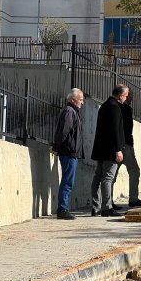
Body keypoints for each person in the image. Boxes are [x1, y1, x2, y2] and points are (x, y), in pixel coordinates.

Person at [90, 85, 128, 217]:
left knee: (98, 176)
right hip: (110, 150)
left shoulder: (105, 105)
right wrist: (118, 149)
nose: (126, 97)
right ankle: (106, 207)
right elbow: (115, 130)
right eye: (125, 95)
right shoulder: (114, 107)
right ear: (120, 95)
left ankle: (96, 207)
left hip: (101, 149)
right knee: (107, 178)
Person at [52, 88, 85, 220]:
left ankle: (64, 208)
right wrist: (56, 146)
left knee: (68, 181)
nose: (82, 103)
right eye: (80, 99)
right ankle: (62, 209)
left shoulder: (72, 112)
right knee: (67, 182)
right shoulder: (69, 111)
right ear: (72, 99)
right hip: (68, 152)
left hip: (71, 152)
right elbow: (64, 131)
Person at [112, 89, 141, 208]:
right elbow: (125, 129)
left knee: (112, 173)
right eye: (129, 96)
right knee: (133, 170)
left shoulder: (116, 107)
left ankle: (108, 202)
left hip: (120, 144)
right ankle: (133, 199)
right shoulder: (123, 108)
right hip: (125, 145)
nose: (131, 98)